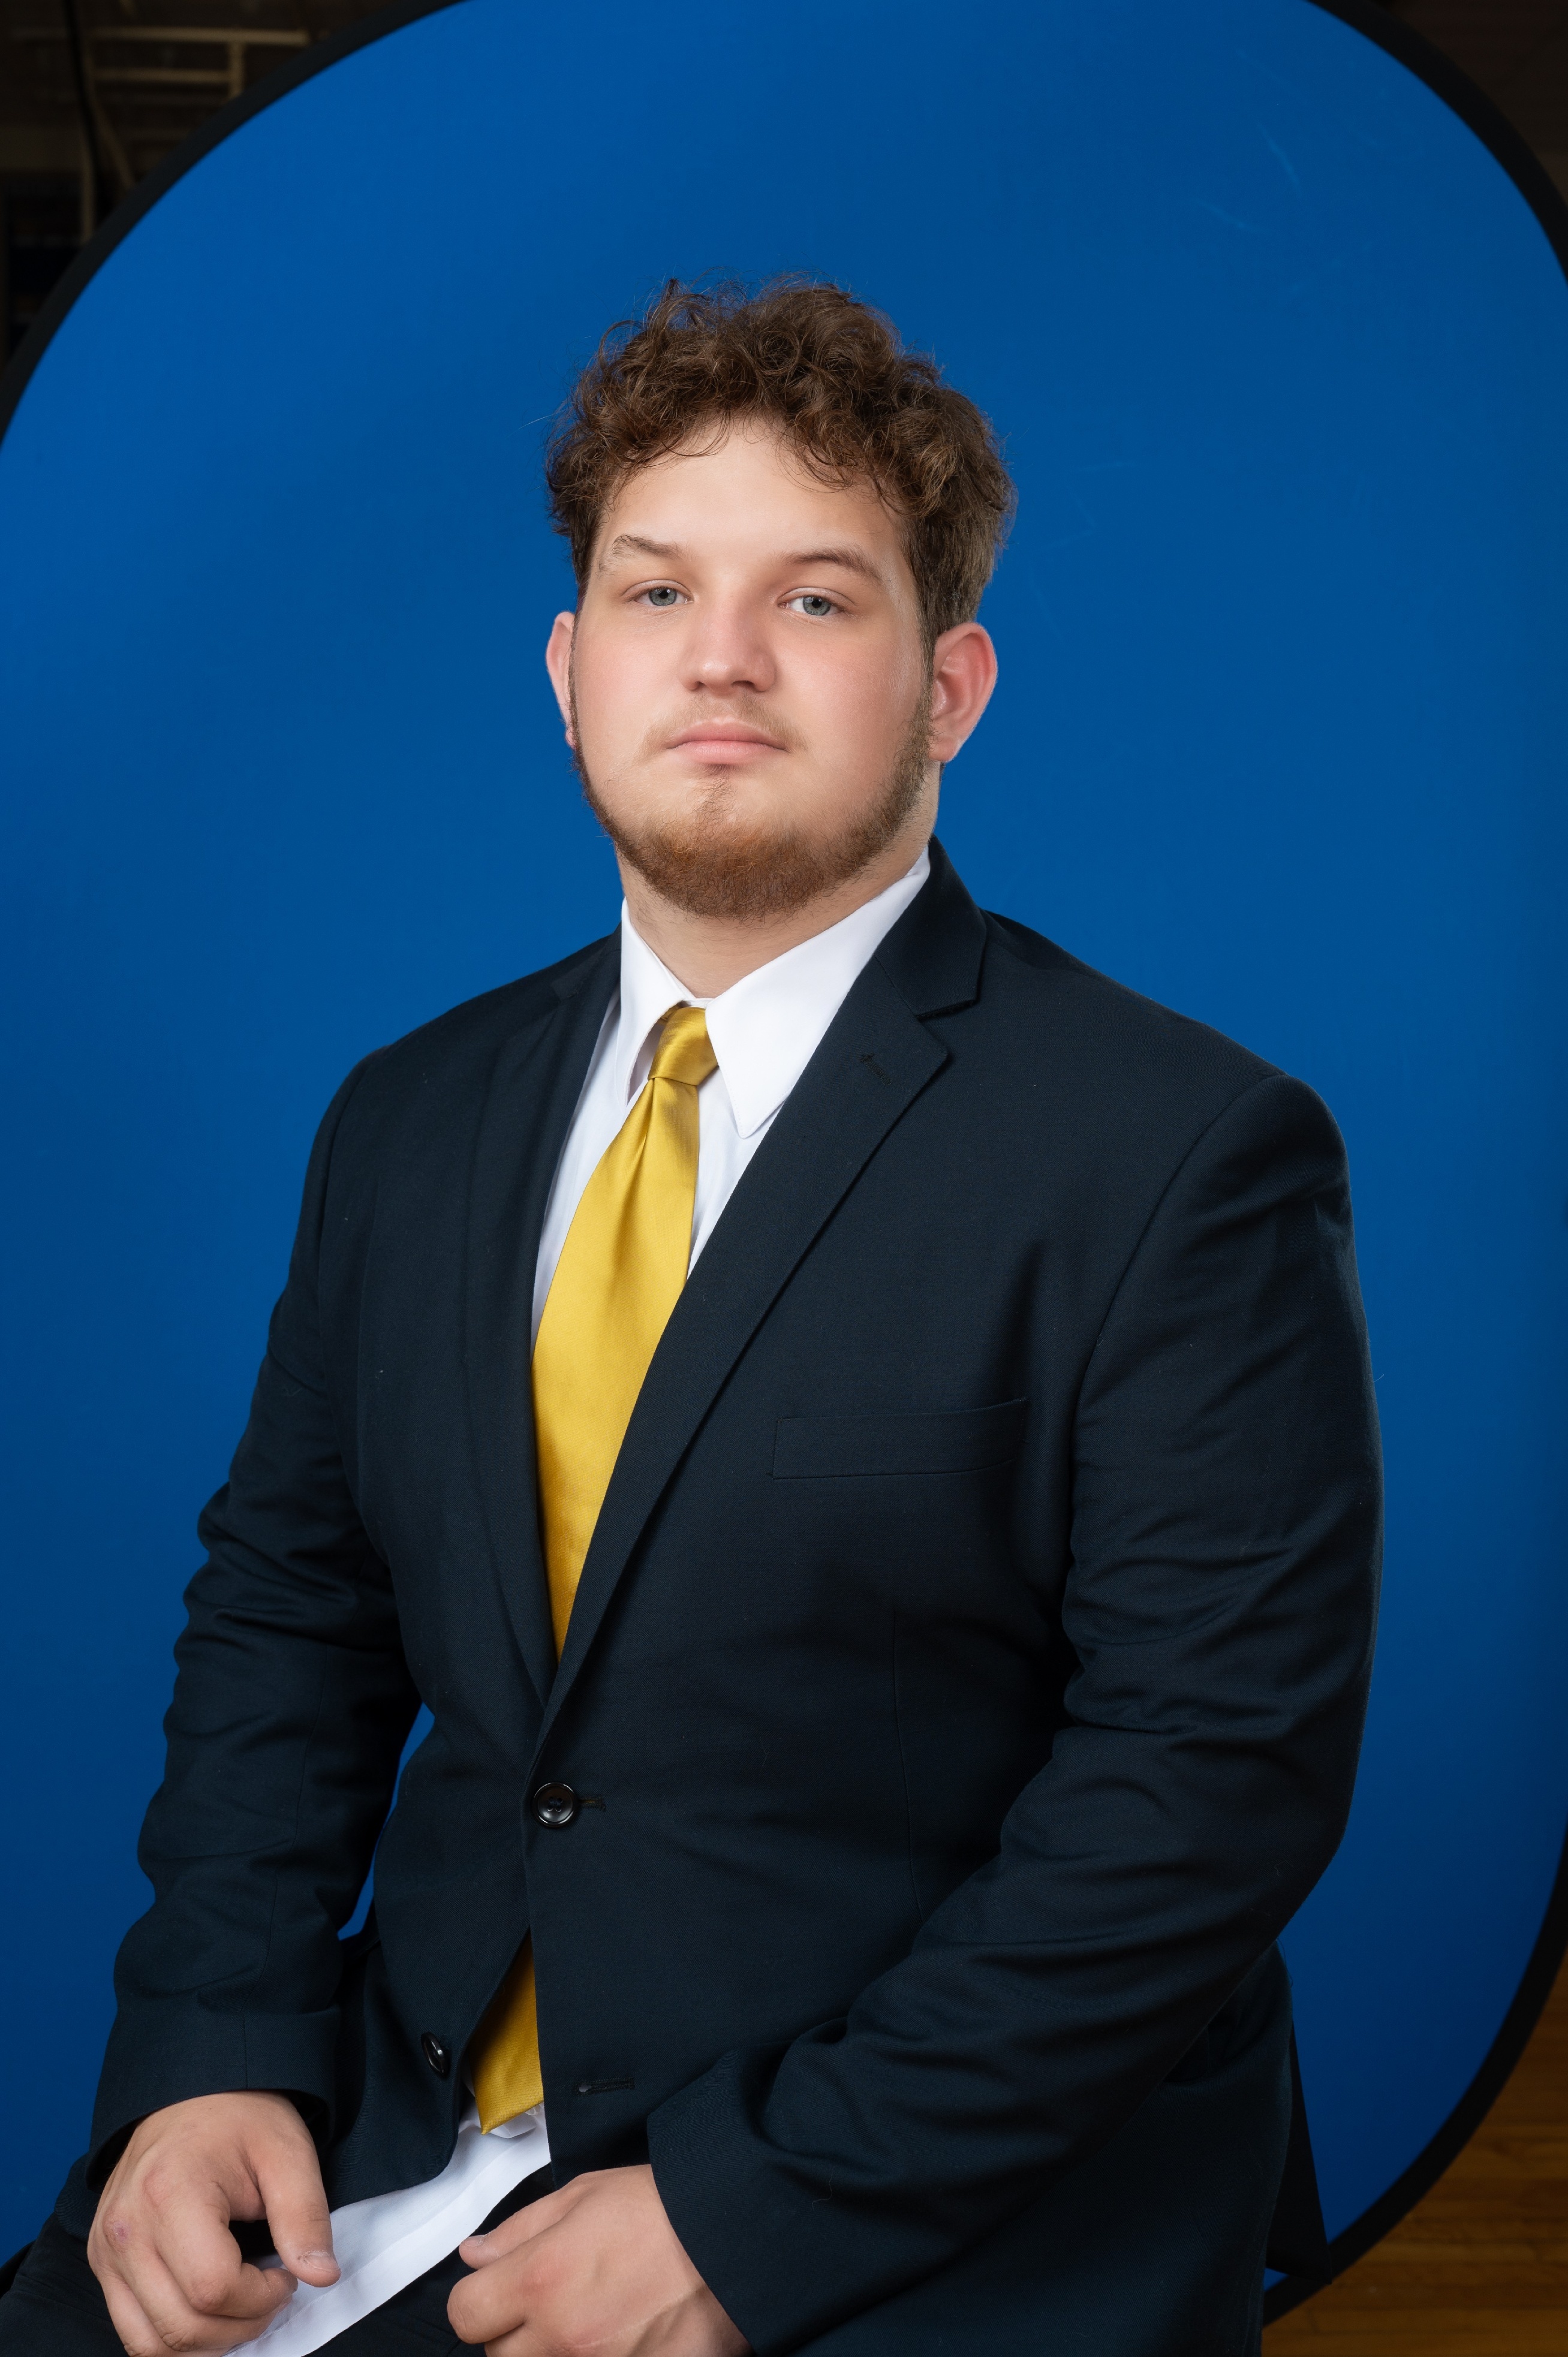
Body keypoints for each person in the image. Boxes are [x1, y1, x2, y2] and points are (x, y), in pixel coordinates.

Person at [0, 280, 1380, 2357]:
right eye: (657, 591)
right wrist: (208, 2051)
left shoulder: (1184, 1151)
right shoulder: (408, 1116)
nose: (721, 655)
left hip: (907, 2177)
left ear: (950, 687)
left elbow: (1209, 1783)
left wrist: (751, 2216)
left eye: (816, 599)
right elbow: (291, 1610)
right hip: (406, 2107)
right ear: (573, 672)